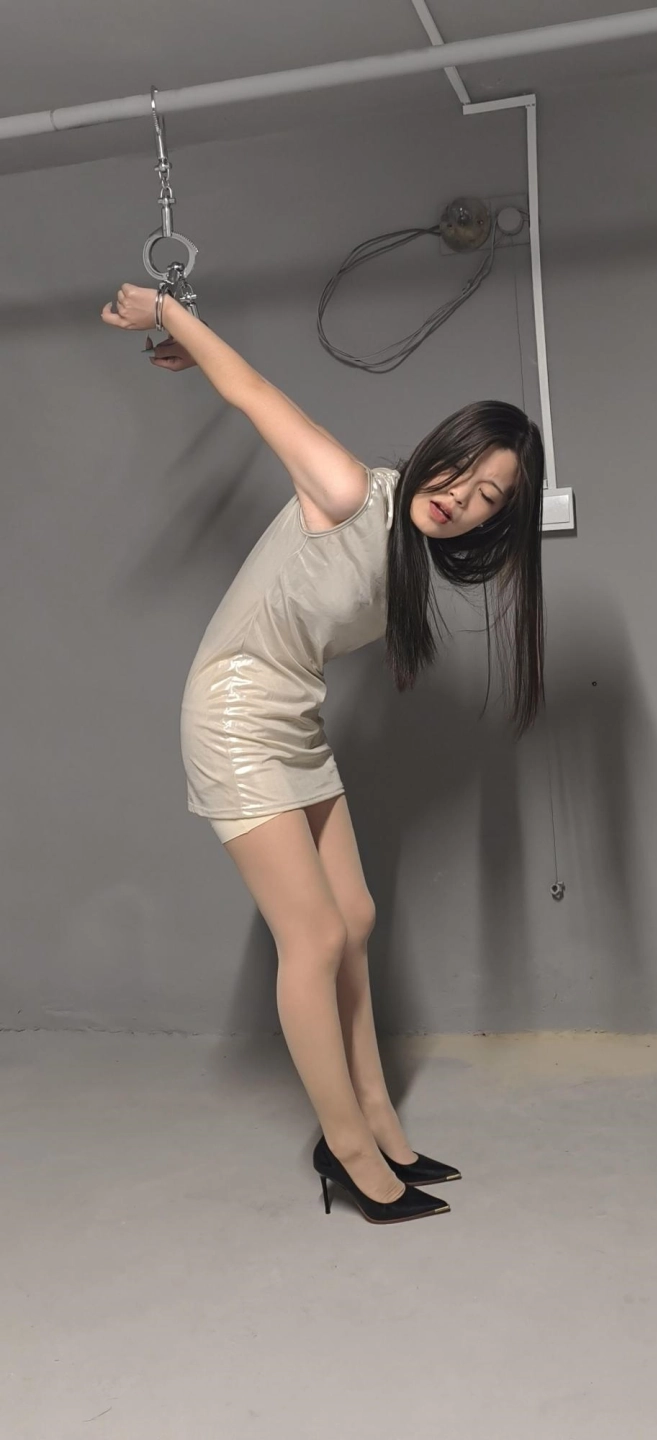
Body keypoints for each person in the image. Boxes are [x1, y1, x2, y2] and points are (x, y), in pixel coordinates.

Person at [101, 283, 545, 1225]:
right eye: (460, 470)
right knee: (312, 937)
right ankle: (346, 1153)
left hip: (293, 718)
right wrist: (171, 317)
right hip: (233, 714)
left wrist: (187, 344)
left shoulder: (408, 554)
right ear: (438, 448)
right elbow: (255, 394)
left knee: (355, 916)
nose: (459, 499)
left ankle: (378, 1119)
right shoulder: (347, 490)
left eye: (487, 498)